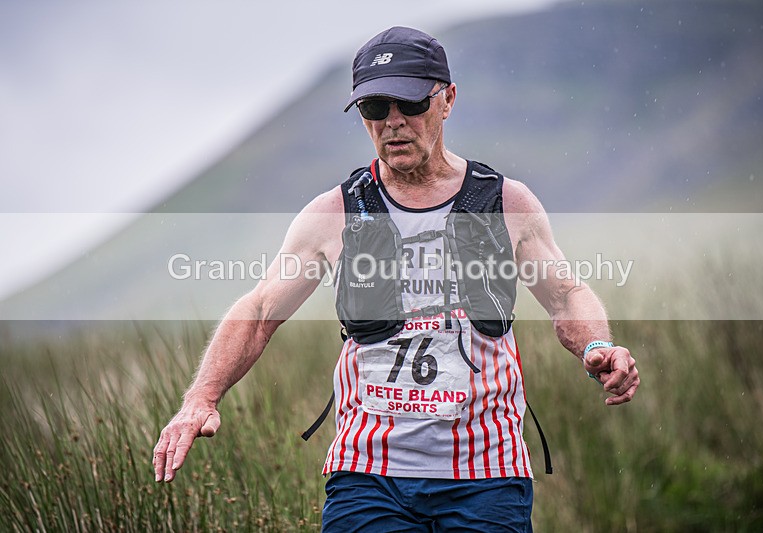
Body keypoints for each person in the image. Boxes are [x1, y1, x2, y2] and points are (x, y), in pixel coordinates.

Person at [153, 26, 640, 531]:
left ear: (447, 99)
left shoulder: (506, 203)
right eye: (374, 108)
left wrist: (597, 346)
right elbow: (258, 311)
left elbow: (564, 296)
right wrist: (200, 399)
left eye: (409, 103)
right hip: (368, 478)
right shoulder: (335, 213)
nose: (393, 122)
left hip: (487, 476)